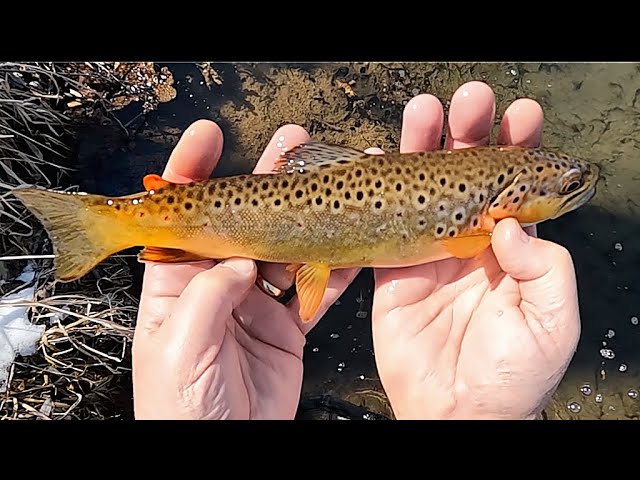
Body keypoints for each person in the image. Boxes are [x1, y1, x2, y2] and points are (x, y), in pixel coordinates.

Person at [131, 81, 581, 420]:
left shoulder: (488, 229)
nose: (577, 191)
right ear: (513, 198)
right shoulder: (483, 235)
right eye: (569, 188)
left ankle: (136, 224)